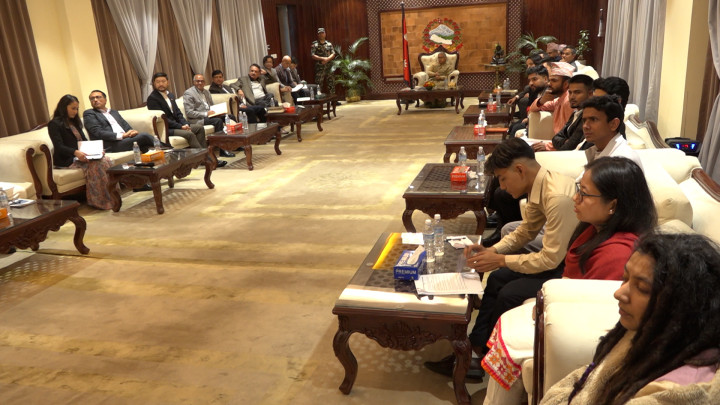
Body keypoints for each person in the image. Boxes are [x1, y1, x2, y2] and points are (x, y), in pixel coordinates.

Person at [482, 156, 657, 405]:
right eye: (578, 190)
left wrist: (546, 307)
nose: (575, 198)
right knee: (506, 306)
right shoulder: (595, 227)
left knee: (509, 333)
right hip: (564, 305)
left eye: (584, 194)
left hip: (580, 327)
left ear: (612, 205)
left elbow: (592, 311)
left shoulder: (617, 253)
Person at [424, 138, 578, 380]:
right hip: (559, 258)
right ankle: (476, 348)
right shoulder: (540, 184)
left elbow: (550, 260)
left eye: (503, 179)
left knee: (509, 292)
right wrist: (493, 250)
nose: (503, 187)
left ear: (520, 170)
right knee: (496, 279)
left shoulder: (557, 196)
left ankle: (489, 358)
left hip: (570, 269)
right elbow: (526, 231)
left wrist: (502, 260)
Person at [540, 233, 720, 404]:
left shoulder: (674, 393)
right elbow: (587, 378)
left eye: (642, 288)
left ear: (683, 304)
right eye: (624, 278)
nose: (619, 293)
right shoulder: (649, 337)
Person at [47, 94, 115, 210]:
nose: (75, 111)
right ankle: (99, 201)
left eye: (77, 109)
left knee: (107, 160)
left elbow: (83, 141)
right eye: (73, 108)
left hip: (81, 155)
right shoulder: (54, 124)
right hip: (67, 159)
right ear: (64, 107)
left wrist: (96, 150)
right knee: (97, 165)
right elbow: (59, 146)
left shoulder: (74, 122)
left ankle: (113, 197)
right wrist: (75, 152)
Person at [146, 72, 215, 162]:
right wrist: (180, 127)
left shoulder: (170, 95)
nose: (161, 84)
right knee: (189, 134)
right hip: (166, 129)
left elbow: (178, 112)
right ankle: (204, 159)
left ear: (168, 82)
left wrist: (185, 124)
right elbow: (164, 119)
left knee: (199, 128)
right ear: (154, 83)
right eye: (158, 82)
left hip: (177, 125)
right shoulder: (153, 98)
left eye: (163, 81)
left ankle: (203, 156)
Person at [534, 74, 594, 151]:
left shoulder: (587, 116)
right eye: (570, 92)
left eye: (577, 92)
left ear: (590, 94)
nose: (572, 97)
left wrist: (563, 142)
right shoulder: (576, 112)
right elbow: (555, 138)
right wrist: (565, 141)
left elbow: (568, 147)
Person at [83, 90, 156, 153]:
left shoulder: (114, 112)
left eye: (98, 97)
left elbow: (125, 125)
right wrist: (122, 135)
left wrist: (132, 131)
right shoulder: (89, 113)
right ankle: (163, 147)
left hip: (125, 140)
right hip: (111, 144)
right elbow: (98, 132)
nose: (95, 100)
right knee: (144, 136)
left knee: (145, 146)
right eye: (92, 99)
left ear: (105, 100)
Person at [580, 95, 642, 168]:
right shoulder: (596, 152)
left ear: (614, 124)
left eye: (593, 119)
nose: (585, 126)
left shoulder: (622, 160)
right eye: (584, 120)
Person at [183, 74, 233, 159]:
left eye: (202, 81)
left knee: (230, 117)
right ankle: (222, 150)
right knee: (218, 121)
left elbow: (211, 106)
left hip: (210, 116)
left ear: (204, 82)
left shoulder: (206, 92)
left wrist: (217, 112)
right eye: (197, 81)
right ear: (193, 82)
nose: (200, 83)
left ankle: (236, 144)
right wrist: (206, 114)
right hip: (198, 119)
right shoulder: (189, 93)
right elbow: (189, 113)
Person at [528, 61, 575, 135]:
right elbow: (532, 109)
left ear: (566, 84)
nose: (549, 84)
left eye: (554, 81)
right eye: (550, 80)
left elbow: (569, 134)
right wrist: (542, 100)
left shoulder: (569, 101)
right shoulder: (558, 100)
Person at [507, 65, 549, 135]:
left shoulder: (549, 93)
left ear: (545, 79)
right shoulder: (534, 89)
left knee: (516, 128)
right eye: (530, 80)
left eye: (534, 79)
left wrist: (530, 119)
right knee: (512, 126)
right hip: (531, 117)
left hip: (541, 122)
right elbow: (524, 93)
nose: (530, 83)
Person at [311, 28, 336, 95]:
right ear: (318, 35)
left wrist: (327, 59)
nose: (321, 34)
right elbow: (313, 55)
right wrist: (322, 59)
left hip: (329, 67)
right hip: (320, 67)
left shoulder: (329, 44)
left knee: (331, 83)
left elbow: (333, 54)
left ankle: (333, 98)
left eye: (322, 33)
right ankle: (319, 98)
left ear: (325, 34)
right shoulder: (315, 44)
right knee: (319, 84)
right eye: (320, 33)